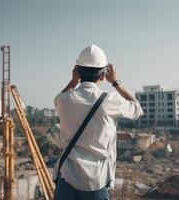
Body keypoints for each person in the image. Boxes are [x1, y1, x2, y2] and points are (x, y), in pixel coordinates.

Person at [53, 44, 143, 200]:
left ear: (77, 71)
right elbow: (137, 109)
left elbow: (59, 98)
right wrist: (116, 82)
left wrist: (73, 81)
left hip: (66, 178)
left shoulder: (63, 100)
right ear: (103, 75)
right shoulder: (110, 101)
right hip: (95, 181)